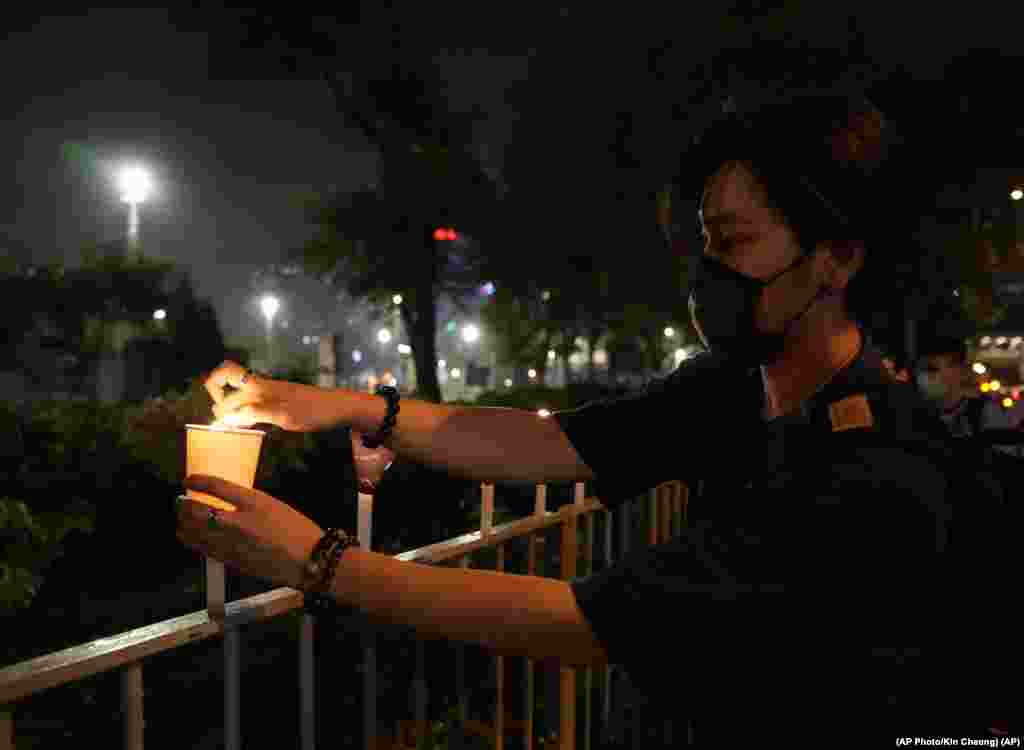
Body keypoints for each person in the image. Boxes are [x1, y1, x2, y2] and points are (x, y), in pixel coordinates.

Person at [176, 93, 1013, 742]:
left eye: (734, 242)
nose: (708, 272)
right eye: (705, 244)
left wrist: (317, 562)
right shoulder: (736, 387)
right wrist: (335, 405)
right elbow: (549, 441)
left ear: (837, 257)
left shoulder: (877, 472)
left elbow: (578, 623)